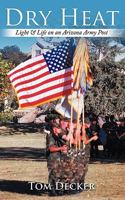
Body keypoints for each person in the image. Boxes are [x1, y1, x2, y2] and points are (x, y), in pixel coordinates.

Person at [46, 122, 68, 195]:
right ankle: (52, 191)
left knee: (59, 174)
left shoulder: (57, 136)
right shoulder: (51, 136)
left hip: (59, 157)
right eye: (59, 129)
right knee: (53, 175)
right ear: (54, 129)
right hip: (53, 158)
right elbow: (51, 149)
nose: (60, 130)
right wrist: (61, 148)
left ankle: (59, 190)